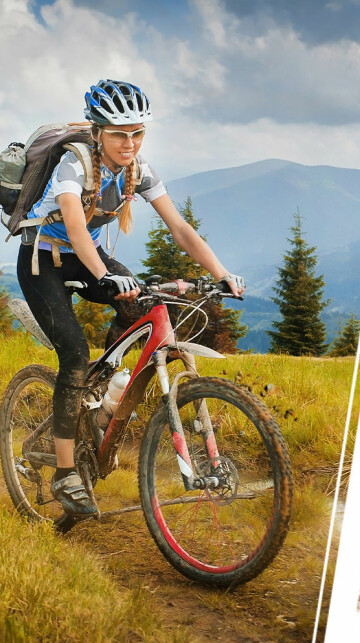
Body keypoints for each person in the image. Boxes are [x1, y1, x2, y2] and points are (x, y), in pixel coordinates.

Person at [17, 79, 245, 516]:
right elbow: (78, 230)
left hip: (90, 258)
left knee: (146, 307)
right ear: (98, 131)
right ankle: (65, 472)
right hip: (44, 260)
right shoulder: (73, 165)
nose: (130, 143)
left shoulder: (139, 170)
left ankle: (108, 386)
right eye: (120, 134)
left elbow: (180, 228)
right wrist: (105, 275)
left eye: (138, 132)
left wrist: (221, 274)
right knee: (74, 355)